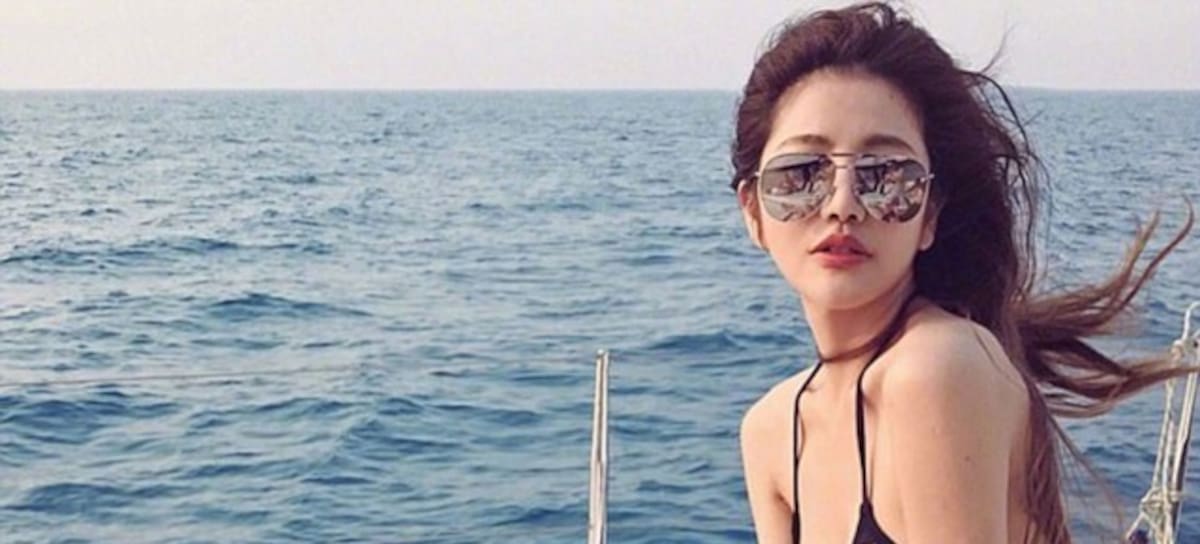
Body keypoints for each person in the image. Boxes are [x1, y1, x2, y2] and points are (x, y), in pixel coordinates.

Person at [731, 3, 1195, 543]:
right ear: (753, 211)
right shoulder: (770, 430)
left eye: (887, 177)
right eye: (801, 174)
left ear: (930, 216)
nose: (842, 204)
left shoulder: (935, 367)